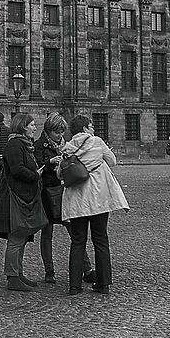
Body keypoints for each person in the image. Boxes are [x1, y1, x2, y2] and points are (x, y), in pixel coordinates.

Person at [55, 112, 128, 294]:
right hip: (98, 199)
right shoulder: (97, 142)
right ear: (86, 128)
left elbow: (59, 173)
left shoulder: (67, 148)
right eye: (91, 126)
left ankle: (74, 286)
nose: (93, 129)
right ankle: (103, 284)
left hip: (77, 200)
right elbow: (113, 161)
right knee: (101, 240)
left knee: (78, 241)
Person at [0, 113, 49, 290]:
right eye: (31, 125)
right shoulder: (15, 145)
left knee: (21, 237)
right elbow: (17, 170)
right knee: (16, 238)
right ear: (23, 126)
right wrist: (35, 175)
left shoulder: (23, 144)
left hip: (24, 196)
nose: (34, 128)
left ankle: (18, 273)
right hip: (15, 197)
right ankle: (12, 276)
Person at [32, 114, 67, 285]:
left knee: (75, 231)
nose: (60, 135)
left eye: (61, 132)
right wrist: (49, 162)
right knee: (47, 233)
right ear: (48, 131)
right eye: (57, 132)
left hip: (64, 191)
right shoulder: (38, 145)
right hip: (46, 193)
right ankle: (49, 270)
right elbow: (35, 167)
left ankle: (86, 268)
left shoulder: (65, 145)